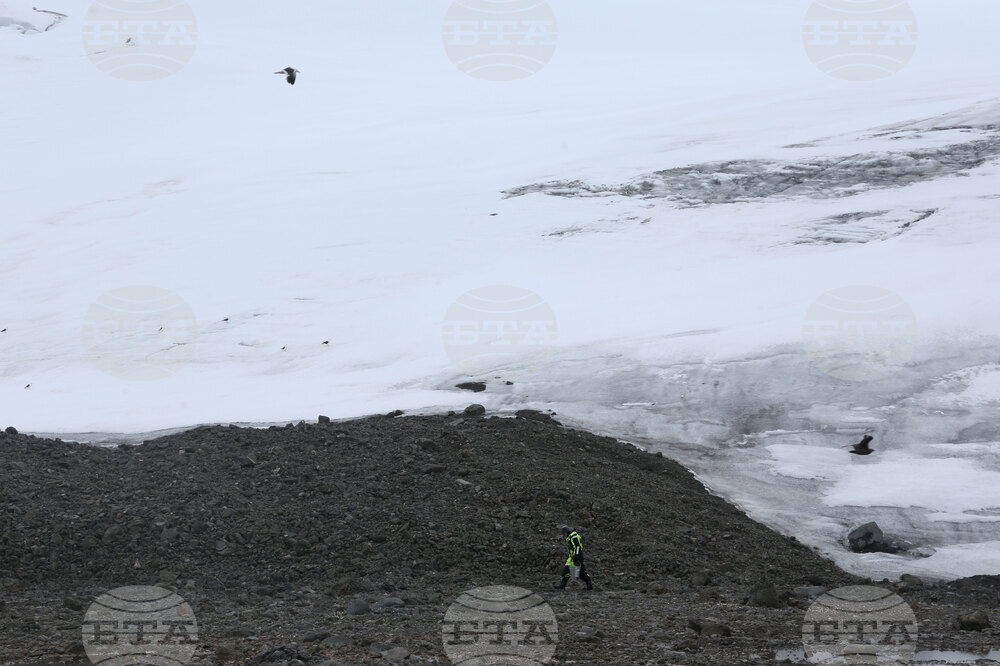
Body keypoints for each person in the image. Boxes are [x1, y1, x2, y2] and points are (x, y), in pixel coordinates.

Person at [554, 525, 593, 590]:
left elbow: (577, 547)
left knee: (581, 572)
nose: (564, 535)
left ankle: (589, 585)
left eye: (564, 533)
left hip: (577, 556)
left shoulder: (574, 537)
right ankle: (562, 586)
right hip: (572, 557)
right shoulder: (569, 537)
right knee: (566, 571)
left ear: (567, 531)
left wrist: (576, 557)